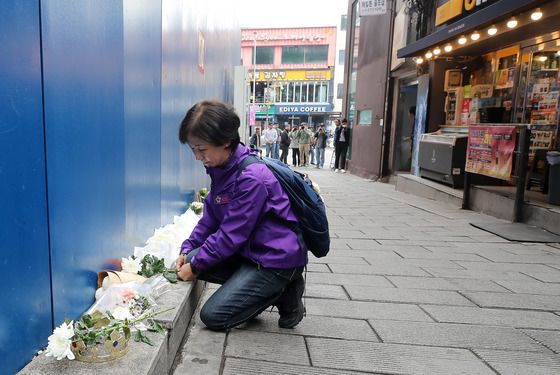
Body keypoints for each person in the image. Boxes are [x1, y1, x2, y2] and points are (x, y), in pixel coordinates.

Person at [176, 100, 307, 331]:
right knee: (190, 258)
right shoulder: (221, 169)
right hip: (249, 252)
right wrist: (187, 250)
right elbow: (210, 220)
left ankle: (284, 290)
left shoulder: (251, 177)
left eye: (202, 149)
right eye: (193, 149)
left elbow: (230, 235)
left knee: (213, 316)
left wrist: (196, 267)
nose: (197, 157)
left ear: (225, 141)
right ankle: (255, 289)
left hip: (274, 260)